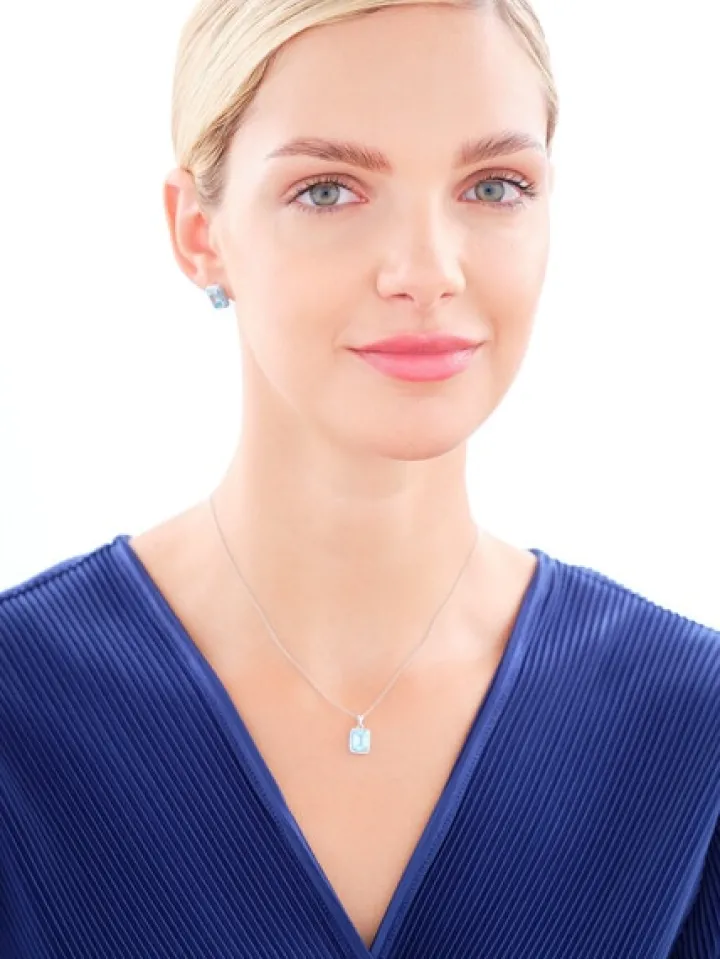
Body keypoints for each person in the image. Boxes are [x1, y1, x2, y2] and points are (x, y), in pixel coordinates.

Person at [1, 0, 718, 956]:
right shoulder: (21, 708)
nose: (427, 271)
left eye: (495, 186)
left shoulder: (690, 727)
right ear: (198, 232)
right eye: (329, 190)